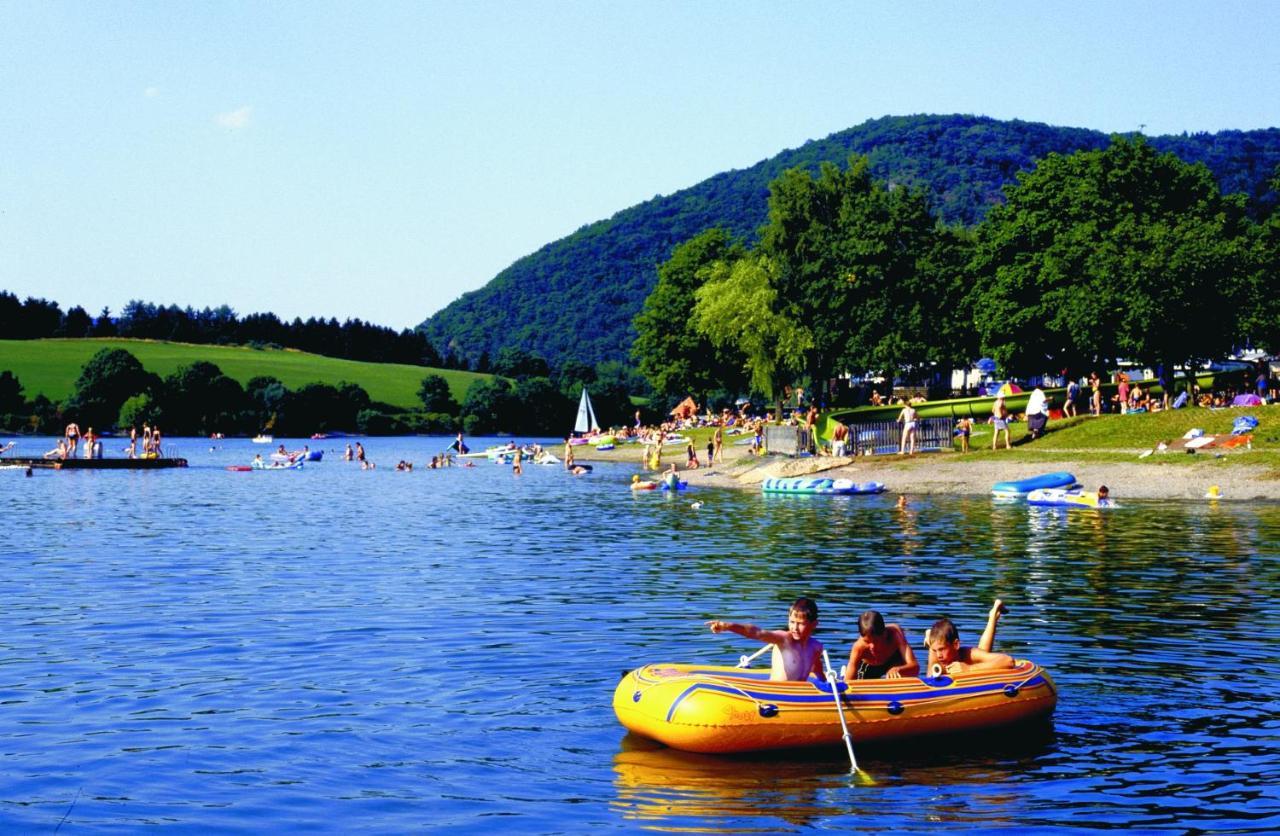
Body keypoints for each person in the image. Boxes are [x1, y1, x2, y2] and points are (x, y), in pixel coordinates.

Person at [706, 597, 824, 682]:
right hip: (776, 693)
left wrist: (829, 687)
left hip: (798, 695)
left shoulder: (816, 647)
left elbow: (817, 671)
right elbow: (756, 632)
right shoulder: (784, 639)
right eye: (792, 622)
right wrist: (727, 626)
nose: (794, 628)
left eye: (800, 624)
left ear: (814, 624)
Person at [925, 599, 1015, 676]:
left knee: (982, 654)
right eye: (935, 650)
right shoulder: (936, 655)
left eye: (942, 649)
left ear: (956, 645)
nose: (939, 655)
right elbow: (929, 679)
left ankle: (993, 615)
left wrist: (969, 669)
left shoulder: (968, 654)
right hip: (934, 645)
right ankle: (929, 635)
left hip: (966, 657)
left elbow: (1008, 661)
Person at [844, 610, 920, 681]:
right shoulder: (858, 647)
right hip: (869, 668)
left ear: (884, 634)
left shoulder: (895, 635)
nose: (872, 647)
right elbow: (848, 682)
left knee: (902, 671)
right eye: (867, 642)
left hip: (894, 664)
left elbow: (915, 668)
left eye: (876, 641)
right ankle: (844, 672)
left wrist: (899, 669)